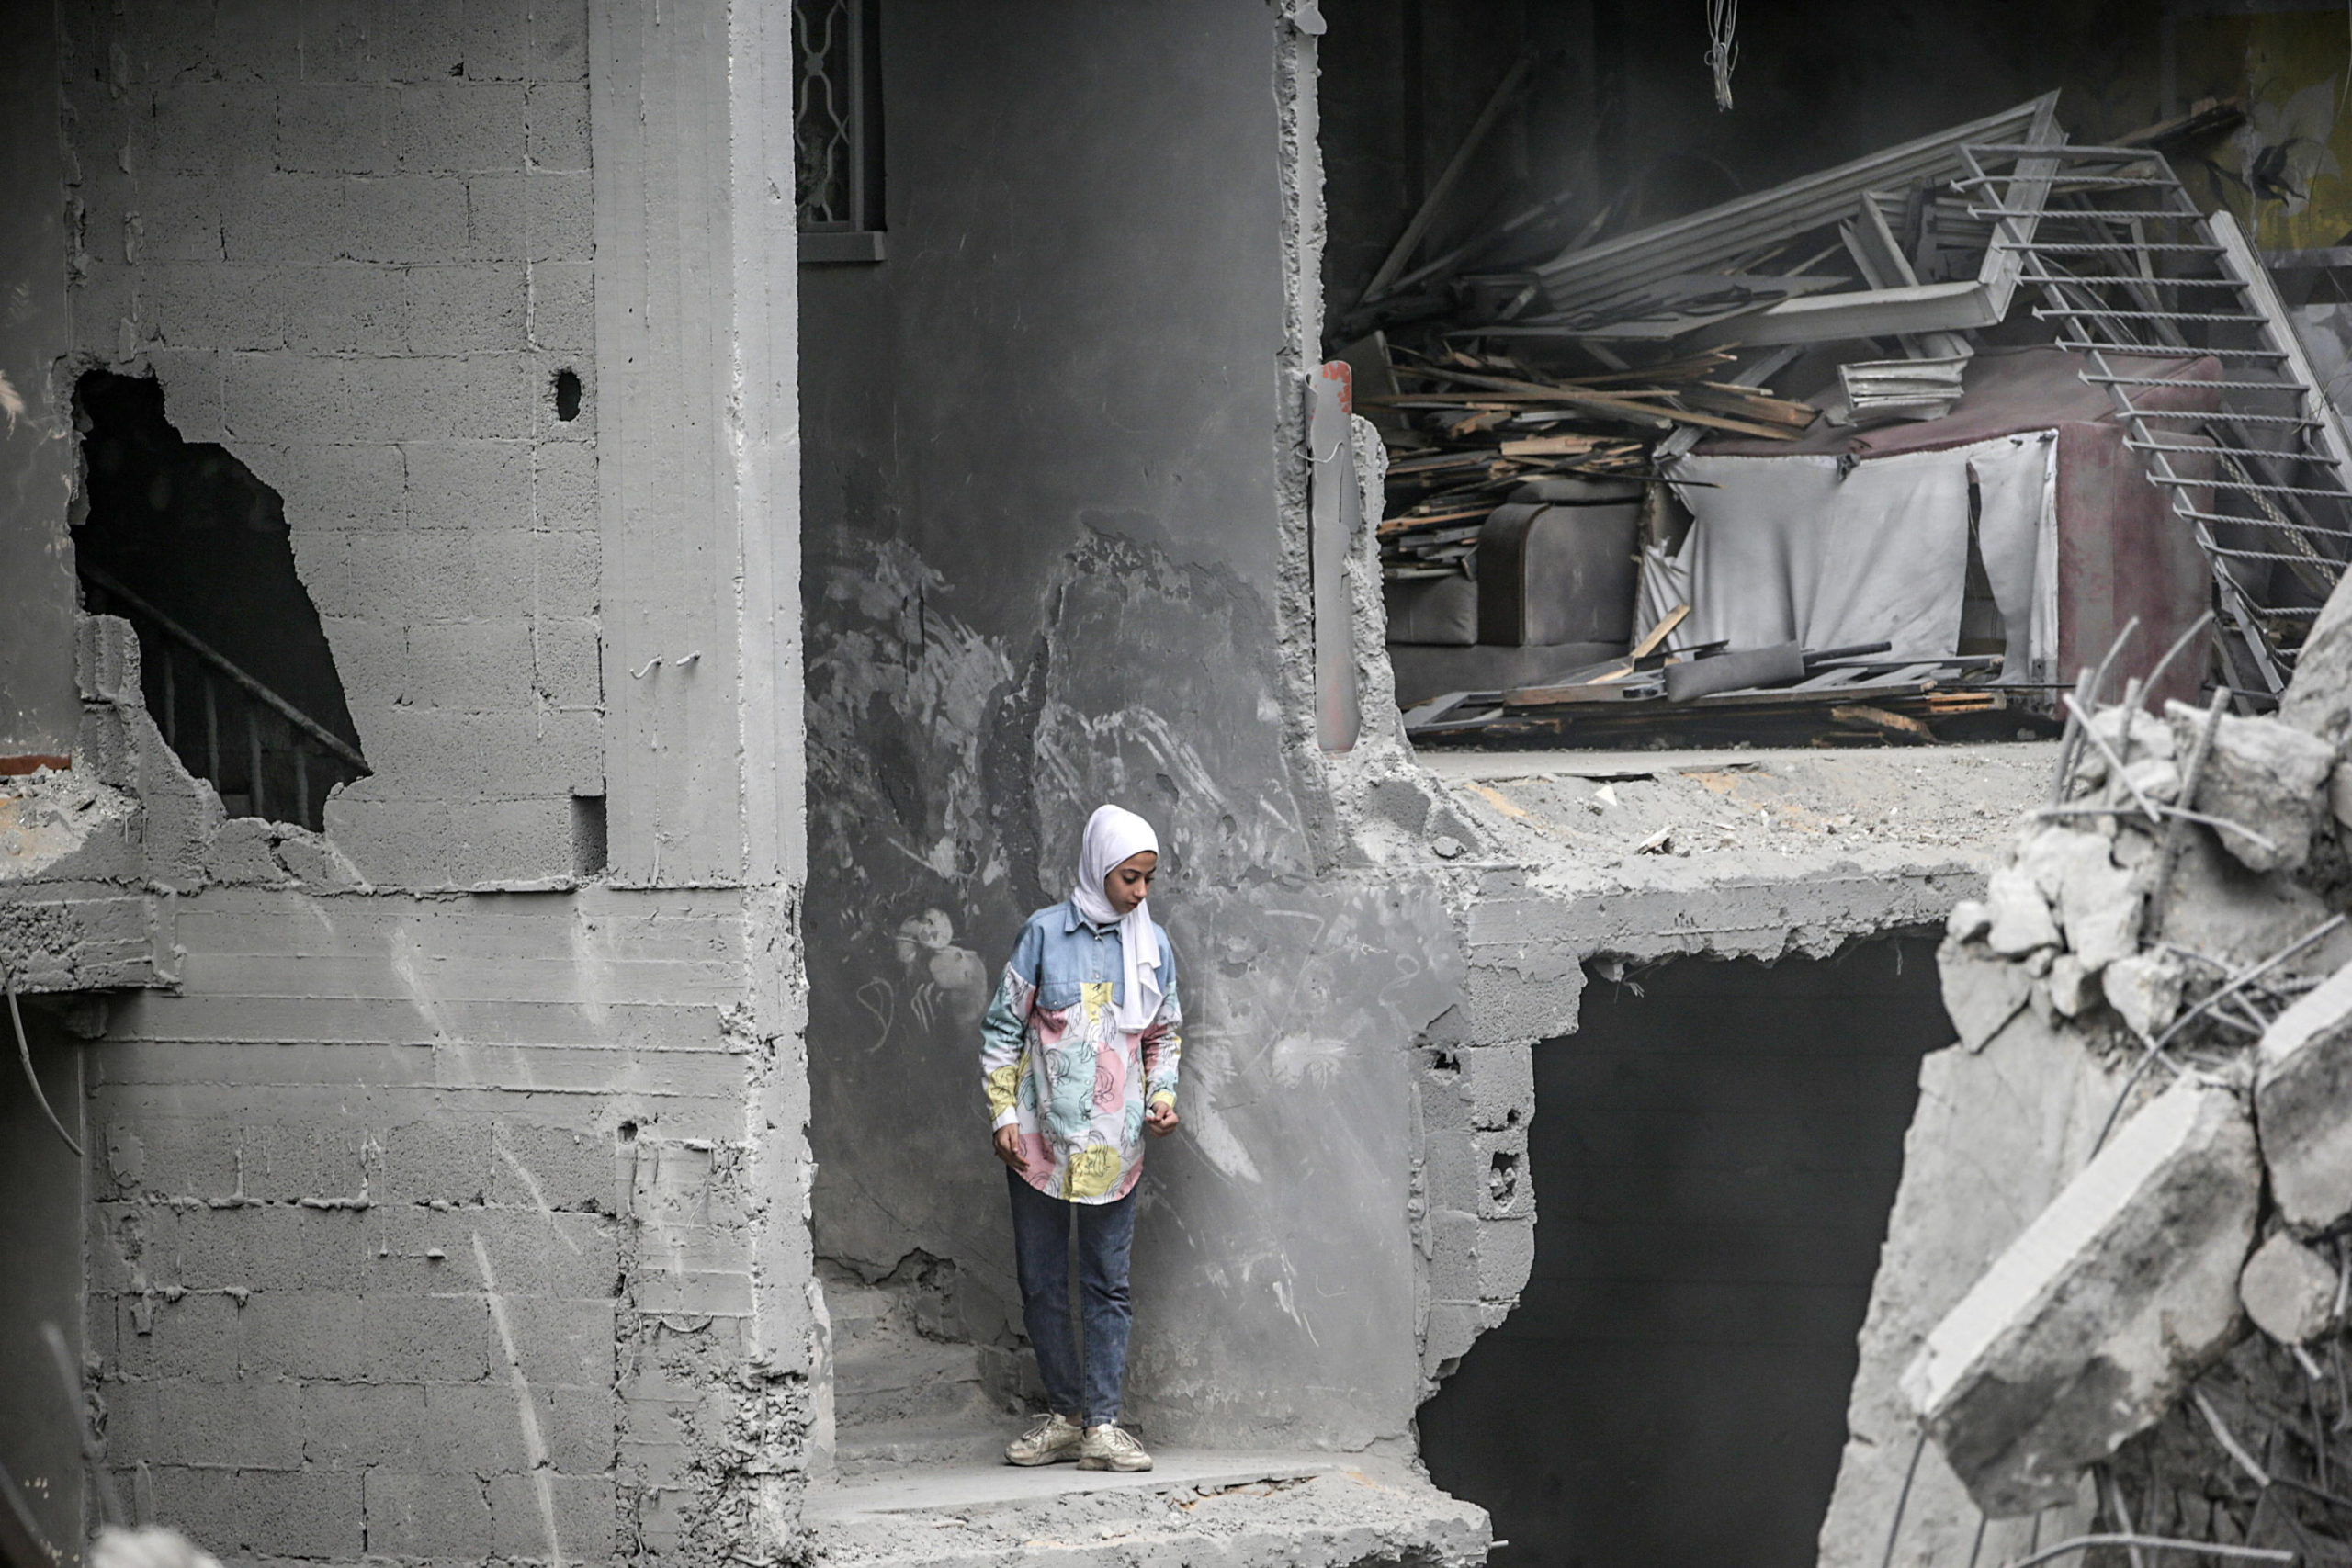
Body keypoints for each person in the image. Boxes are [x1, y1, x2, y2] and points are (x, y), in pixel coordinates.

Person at [978, 804, 1182, 1472]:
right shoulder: (1042, 935)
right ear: (1100, 868)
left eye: (1149, 878)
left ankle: (1102, 1424)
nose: (1140, 892)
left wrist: (1161, 1097)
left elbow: (1162, 1034)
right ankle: (1065, 1415)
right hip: (1038, 1145)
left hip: (1116, 1148)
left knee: (1106, 1282)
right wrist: (1004, 1117)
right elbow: (1004, 1030)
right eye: (1130, 877)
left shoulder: (1152, 947)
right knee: (1041, 1280)